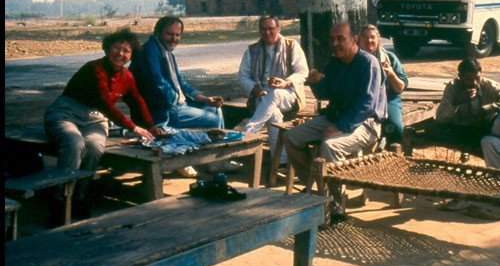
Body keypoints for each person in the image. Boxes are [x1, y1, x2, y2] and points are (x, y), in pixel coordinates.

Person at [44, 29, 162, 225]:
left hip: (95, 119)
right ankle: (61, 200)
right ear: (108, 48)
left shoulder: (127, 76)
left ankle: (80, 197)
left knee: (94, 146)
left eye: (126, 51)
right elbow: (104, 103)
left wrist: (150, 126)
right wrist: (134, 128)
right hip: (65, 113)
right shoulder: (94, 68)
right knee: (74, 143)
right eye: (117, 47)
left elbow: (137, 101)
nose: (120, 54)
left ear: (131, 55)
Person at [283, 22, 387, 221]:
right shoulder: (335, 63)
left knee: (329, 146)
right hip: (337, 117)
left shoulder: (368, 63)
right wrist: (316, 82)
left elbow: (367, 104)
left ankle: (337, 205)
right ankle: (314, 183)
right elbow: (326, 93)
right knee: (291, 136)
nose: (335, 43)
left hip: (365, 123)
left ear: (354, 40)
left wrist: (339, 128)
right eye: (332, 39)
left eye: (341, 38)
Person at [130, 16, 227, 177]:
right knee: (214, 120)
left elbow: (180, 82)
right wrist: (178, 101)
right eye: (170, 34)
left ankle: (214, 160)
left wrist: (203, 99)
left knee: (216, 109)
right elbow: (157, 82)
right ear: (158, 32)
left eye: (177, 35)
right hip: (163, 110)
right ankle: (207, 161)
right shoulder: (150, 51)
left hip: (176, 104)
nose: (174, 39)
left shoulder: (166, 52)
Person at [238, 16, 308, 164]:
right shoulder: (252, 50)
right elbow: (242, 77)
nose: (267, 33)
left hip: (287, 93)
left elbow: (303, 72)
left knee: (274, 94)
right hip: (261, 95)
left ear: (278, 29)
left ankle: (249, 131)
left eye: (271, 29)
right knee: (273, 114)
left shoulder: (291, 46)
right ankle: (280, 161)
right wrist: (255, 90)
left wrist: (285, 82)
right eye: (263, 29)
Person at [432, 58, 500, 148]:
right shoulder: (452, 87)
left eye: (477, 78)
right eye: (468, 79)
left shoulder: (490, 86)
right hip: (461, 129)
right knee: (433, 130)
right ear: (460, 77)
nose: (474, 83)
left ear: (481, 74)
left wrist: (488, 108)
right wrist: (456, 102)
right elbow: (441, 119)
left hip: (484, 128)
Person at [357, 24, 408, 144]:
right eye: (364, 37)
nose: (368, 40)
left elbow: (400, 87)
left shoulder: (389, 58)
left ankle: (395, 154)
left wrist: (391, 75)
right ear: (359, 40)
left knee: (394, 126)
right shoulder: (354, 59)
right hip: (360, 99)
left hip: (387, 99)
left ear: (378, 40)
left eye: (372, 37)